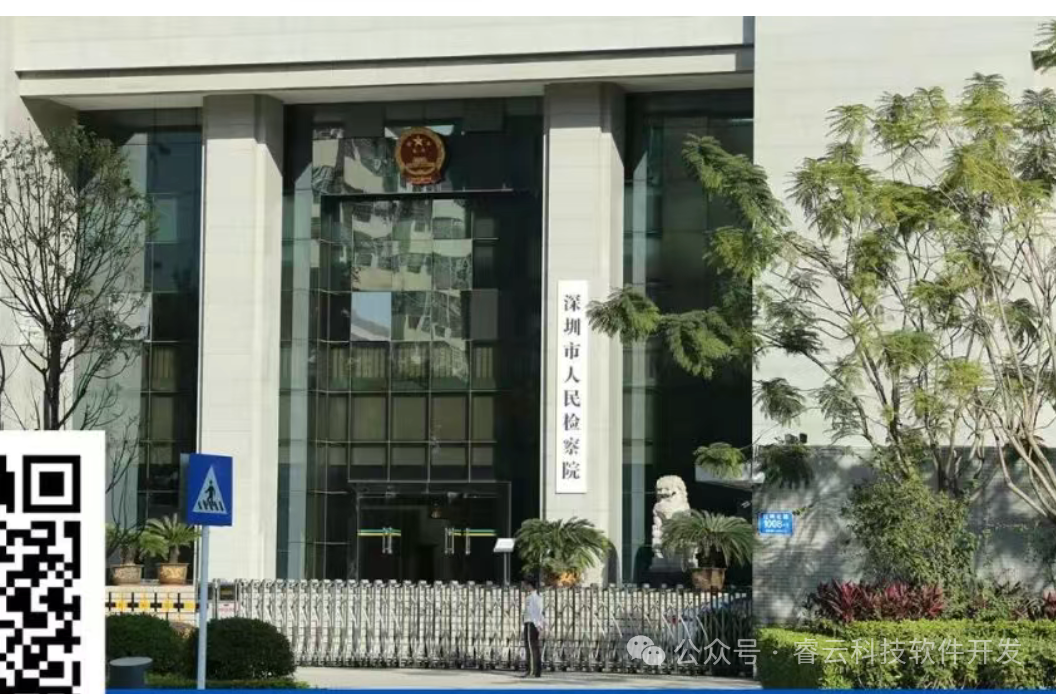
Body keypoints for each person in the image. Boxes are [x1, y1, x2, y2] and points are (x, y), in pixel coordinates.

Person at [521, 578, 545, 678]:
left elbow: (535, 613)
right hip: (534, 624)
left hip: (530, 624)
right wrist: (540, 625)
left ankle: (531, 671)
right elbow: (540, 613)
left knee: (530, 648)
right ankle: (537, 671)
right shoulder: (538, 598)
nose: (525, 587)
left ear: (530, 586)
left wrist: (537, 624)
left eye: (526, 585)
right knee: (535, 648)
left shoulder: (531, 598)